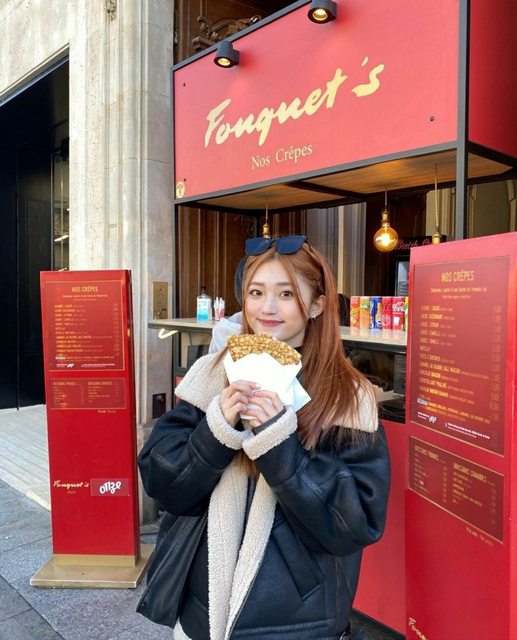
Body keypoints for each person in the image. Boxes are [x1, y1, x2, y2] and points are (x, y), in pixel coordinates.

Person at [137, 235, 390, 640]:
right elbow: (163, 484)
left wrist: (278, 443)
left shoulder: (347, 396)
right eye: (256, 292)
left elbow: (354, 524)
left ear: (317, 304)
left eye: (286, 294)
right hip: (200, 608)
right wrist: (216, 430)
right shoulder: (211, 373)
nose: (267, 308)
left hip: (294, 619)